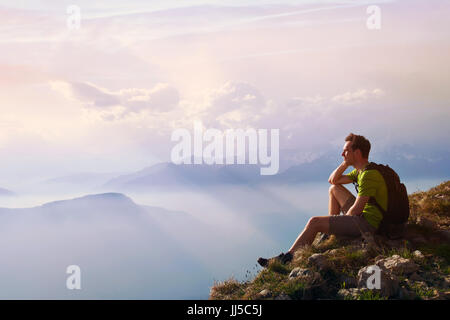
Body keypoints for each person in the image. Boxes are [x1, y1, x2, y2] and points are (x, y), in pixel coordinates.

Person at [257, 133, 388, 267]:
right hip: (365, 215)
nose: (342, 154)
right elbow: (333, 180)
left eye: (346, 151)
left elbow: (356, 210)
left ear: (357, 153)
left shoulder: (369, 175)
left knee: (314, 222)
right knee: (334, 188)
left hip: (369, 224)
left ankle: (286, 259)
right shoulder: (361, 171)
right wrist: (345, 163)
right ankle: (327, 232)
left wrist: (338, 225)